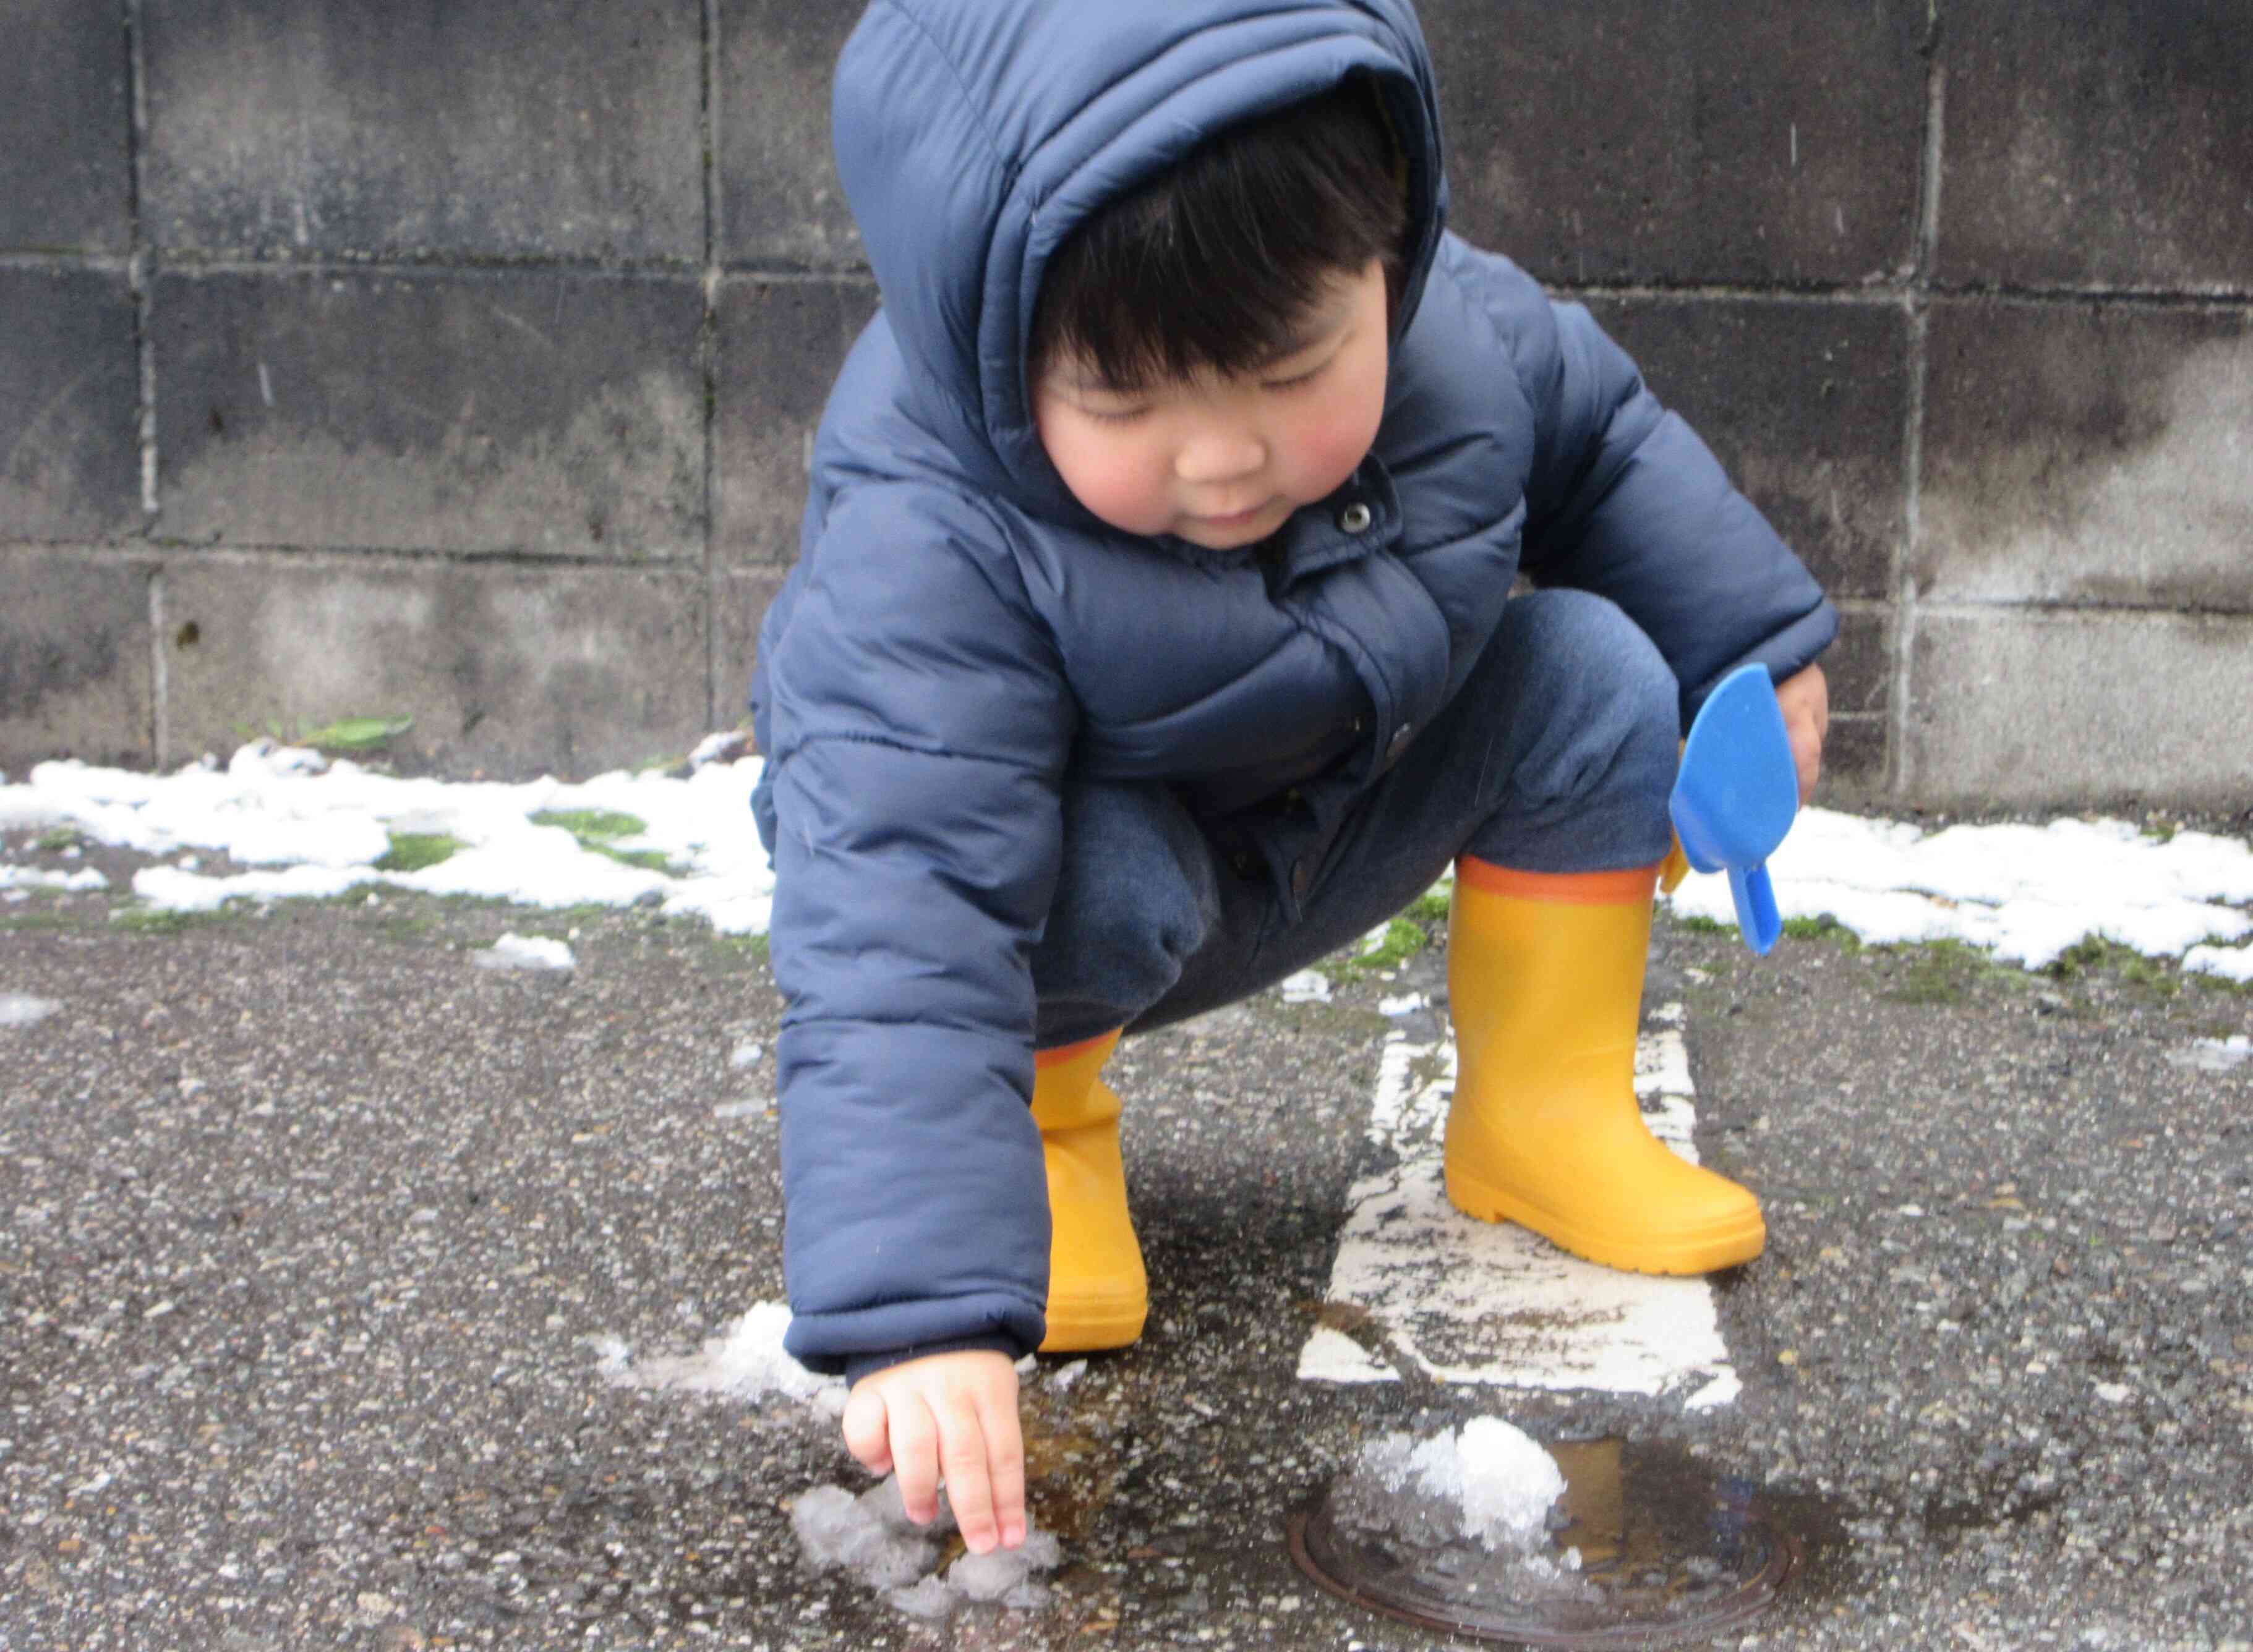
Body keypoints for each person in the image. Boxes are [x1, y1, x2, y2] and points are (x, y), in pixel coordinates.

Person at [748, 0, 1834, 1558]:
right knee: (1086, 869)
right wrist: (917, 1305)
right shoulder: (928, 528)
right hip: (1079, 893)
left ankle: (1540, 1111)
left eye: (1287, 367)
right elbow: (898, 907)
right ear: (1000, 343)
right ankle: (1043, 1146)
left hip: (1318, 808)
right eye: (1129, 405)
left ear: (1384, 252)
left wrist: (1758, 643)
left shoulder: (1457, 335)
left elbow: (1602, 445)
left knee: (1595, 675)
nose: (1225, 458)